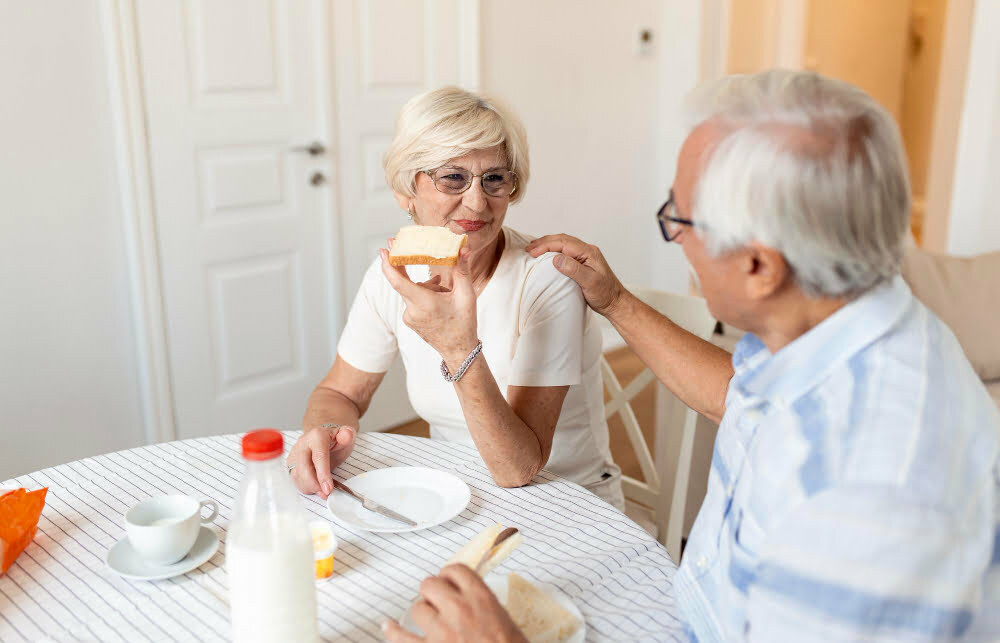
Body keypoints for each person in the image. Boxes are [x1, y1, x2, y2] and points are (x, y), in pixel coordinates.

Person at [384, 70, 1000, 642]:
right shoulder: (843, 317)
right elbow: (740, 399)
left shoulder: (865, 497)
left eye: (678, 217)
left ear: (759, 266)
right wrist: (617, 301)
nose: (673, 235)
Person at [286, 86, 624, 509]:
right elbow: (341, 393)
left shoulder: (547, 278)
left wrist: (457, 345)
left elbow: (518, 468)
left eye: (495, 178)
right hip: (457, 493)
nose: (477, 201)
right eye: (452, 177)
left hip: (566, 501)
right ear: (407, 191)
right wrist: (324, 431)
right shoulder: (395, 274)